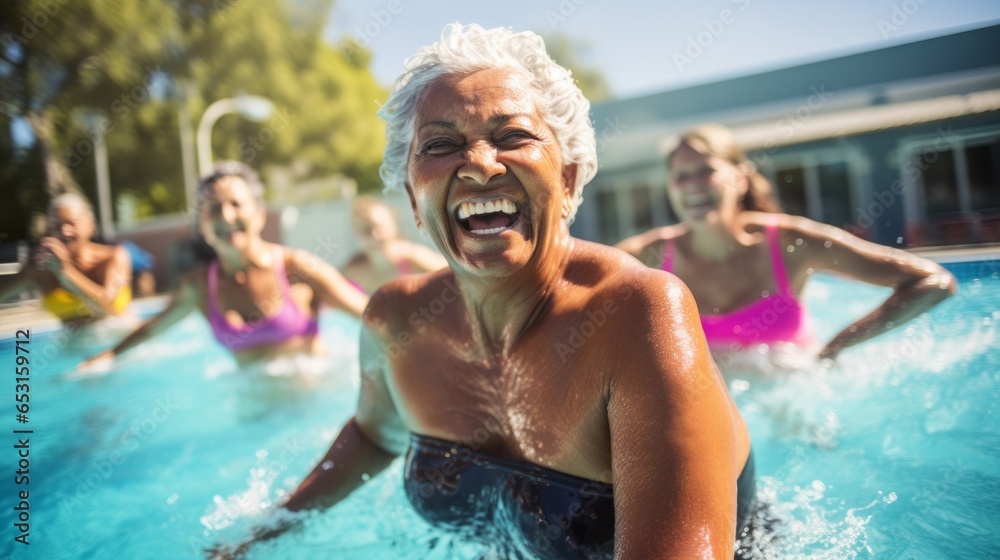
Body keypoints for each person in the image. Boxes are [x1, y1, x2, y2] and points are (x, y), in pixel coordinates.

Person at [217, 25, 756, 560]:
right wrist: (267, 529)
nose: (478, 163)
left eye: (513, 136)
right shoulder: (397, 320)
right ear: (413, 200)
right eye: (441, 145)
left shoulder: (637, 314)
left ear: (568, 181)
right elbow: (375, 433)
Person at [615, 124, 957, 362]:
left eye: (705, 170)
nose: (692, 185)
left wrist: (834, 348)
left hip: (792, 400)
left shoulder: (791, 243)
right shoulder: (649, 254)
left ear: (740, 177)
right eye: (681, 176)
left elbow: (933, 282)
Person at [80, 162, 368, 369]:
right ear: (203, 227)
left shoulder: (297, 267)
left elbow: (367, 312)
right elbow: (152, 329)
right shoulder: (201, 286)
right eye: (214, 209)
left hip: (312, 397)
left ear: (259, 214)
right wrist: (109, 355)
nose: (226, 216)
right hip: (252, 411)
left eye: (236, 205)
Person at [0, 193, 132, 325]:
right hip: (73, 342)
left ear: (90, 225)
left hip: (122, 336)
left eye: (72, 223)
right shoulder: (44, 267)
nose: (64, 231)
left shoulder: (112, 257)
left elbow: (108, 309)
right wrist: (26, 270)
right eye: (57, 226)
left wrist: (66, 272)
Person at [342, 195, 446, 294]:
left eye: (379, 227)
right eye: (366, 230)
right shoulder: (353, 271)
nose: (374, 236)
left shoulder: (412, 257)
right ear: (357, 235)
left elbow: (458, 275)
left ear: (393, 224)